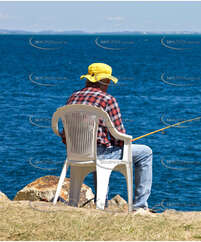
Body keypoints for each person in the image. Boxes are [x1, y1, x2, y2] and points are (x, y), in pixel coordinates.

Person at [60, 63, 153, 214]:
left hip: (75, 154)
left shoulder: (73, 97)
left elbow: (65, 135)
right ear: (105, 81)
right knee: (145, 153)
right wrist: (125, 143)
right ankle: (140, 206)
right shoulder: (108, 100)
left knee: (101, 150)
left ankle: (102, 204)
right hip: (100, 154)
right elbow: (118, 136)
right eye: (108, 80)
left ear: (88, 79)